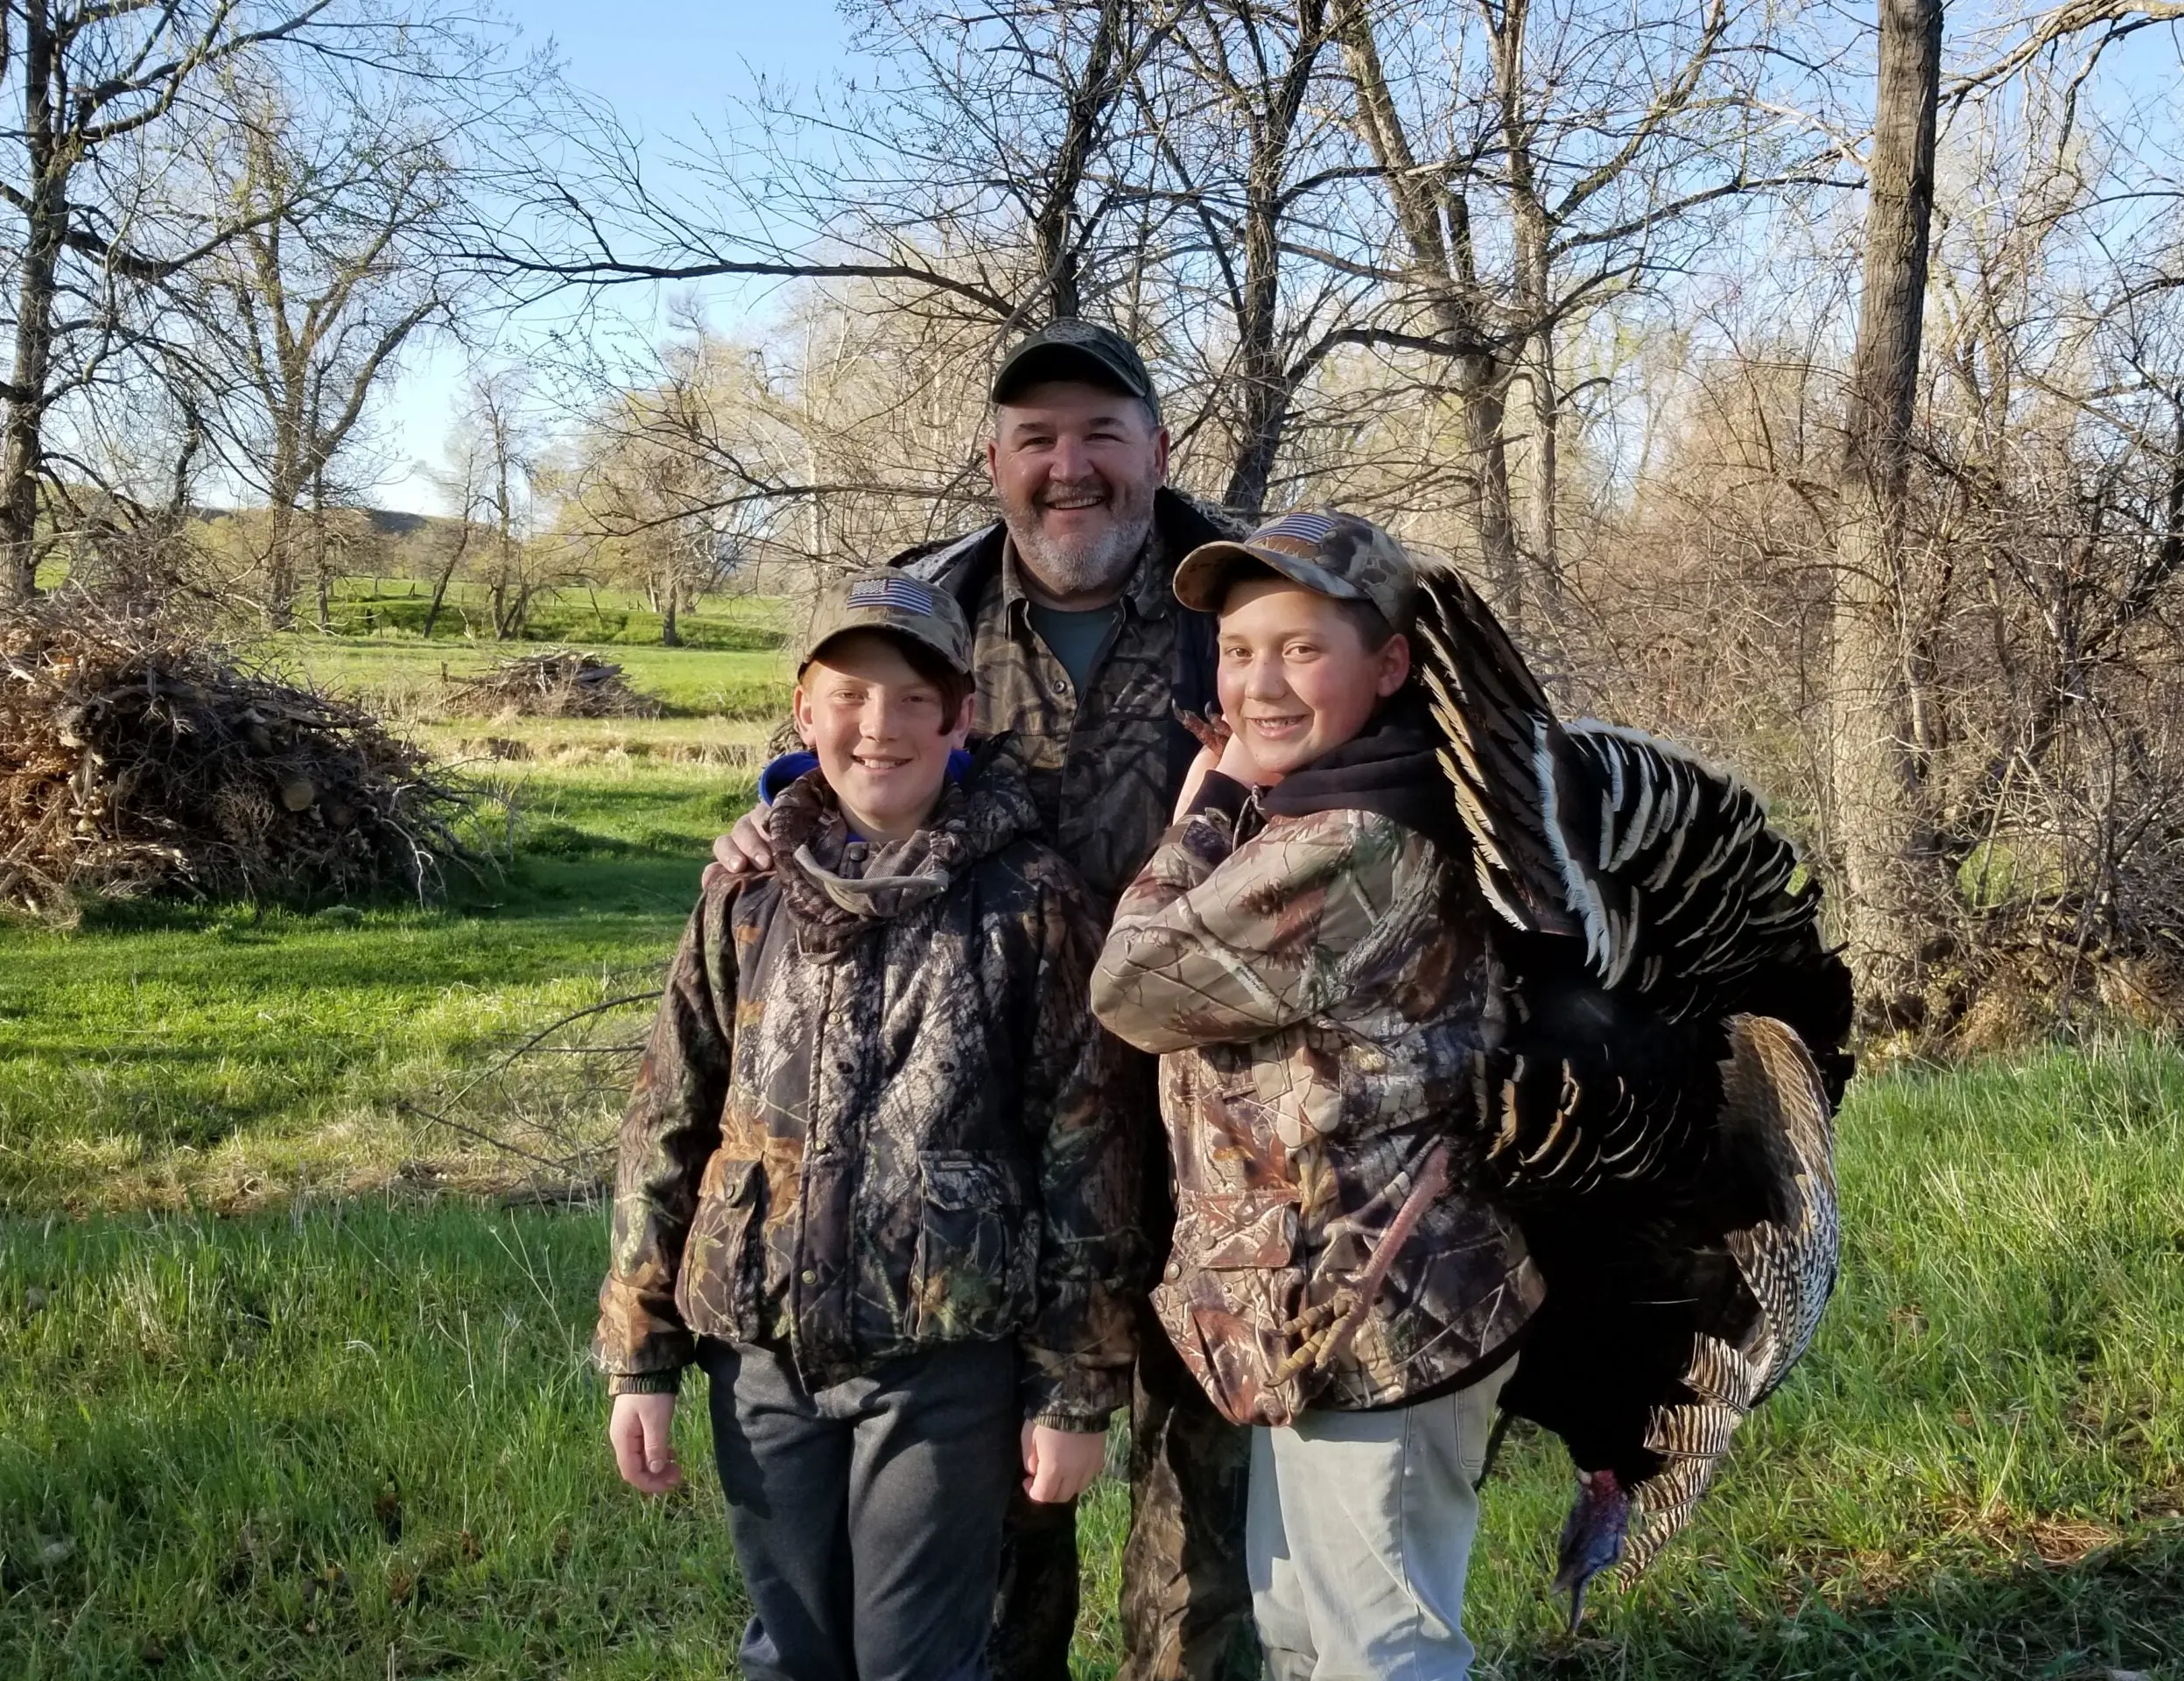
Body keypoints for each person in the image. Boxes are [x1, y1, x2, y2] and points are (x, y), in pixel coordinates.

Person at [708, 320, 1260, 1681]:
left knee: (1205, 1552)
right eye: (1036, 441)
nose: (1068, 469)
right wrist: (768, 820)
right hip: (986, 1156)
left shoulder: (1242, 606)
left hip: (1210, 1132)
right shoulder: (932, 600)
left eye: (1100, 435)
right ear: (995, 459)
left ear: (1158, 449)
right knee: (997, 1555)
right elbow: (840, 758)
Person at [599, 567, 1140, 1681]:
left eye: (910, 698)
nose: (877, 727)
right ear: (803, 710)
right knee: (787, 1653)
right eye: (847, 694)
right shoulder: (743, 895)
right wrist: (641, 1355)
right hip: (758, 1352)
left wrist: (1073, 1389)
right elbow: (668, 1123)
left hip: (942, 1368)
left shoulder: (1031, 900)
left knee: (917, 1661)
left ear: (962, 719)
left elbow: (1087, 1157)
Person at [1089, 510, 1545, 1680]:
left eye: (1302, 649)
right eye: (1238, 651)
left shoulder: (1357, 838)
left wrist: (1208, 801)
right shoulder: (1345, 800)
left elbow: (1134, 988)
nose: (1258, 683)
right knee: (1302, 1635)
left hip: (1381, 1316)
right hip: (1320, 1315)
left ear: (1389, 665)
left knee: (1385, 1650)